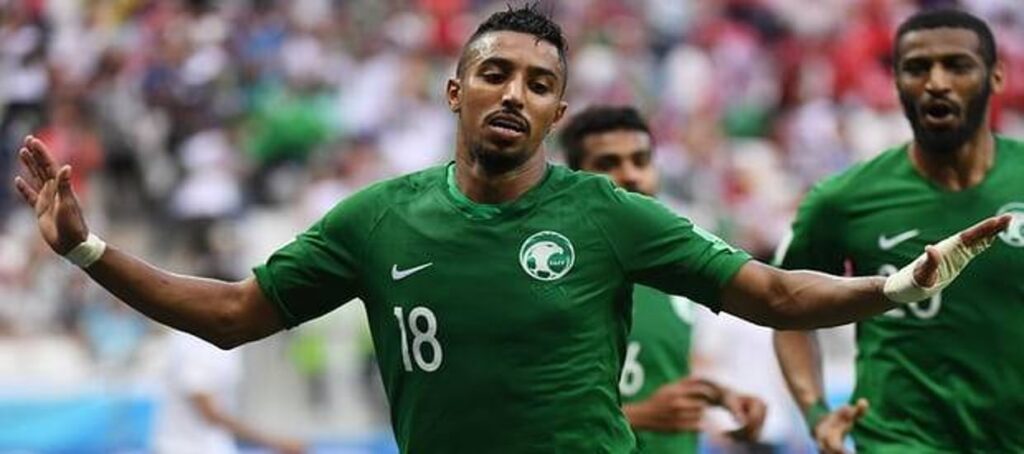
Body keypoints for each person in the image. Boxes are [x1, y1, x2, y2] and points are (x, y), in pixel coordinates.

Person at [12, 5, 1009, 453]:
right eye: (495, 73)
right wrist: (90, 252)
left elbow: (774, 292)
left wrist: (893, 285)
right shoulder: (379, 216)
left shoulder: (606, 214)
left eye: (538, 84)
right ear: (456, 89)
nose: (514, 93)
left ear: (556, 112)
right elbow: (236, 315)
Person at [773, 8, 1024, 454]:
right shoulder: (843, 200)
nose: (937, 82)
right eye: (917, 67)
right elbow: (786, 307)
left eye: (958, 65)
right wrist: (815, 412)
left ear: (997, 76)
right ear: (896, 81)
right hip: (898, 440)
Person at [560, 105, 767, 453]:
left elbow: (671, 368)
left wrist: (720, 396)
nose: (630, 175)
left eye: (641, 161)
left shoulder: (680, 268)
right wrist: (641, 416)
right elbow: (520, 411)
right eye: (608, 164)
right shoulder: (553, 274)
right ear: (574, 178)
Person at [153, 329, 306, 454]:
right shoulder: (196, 343)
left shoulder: (224, 341)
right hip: (185, 449)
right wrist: (276, 442)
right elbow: (210, 413)